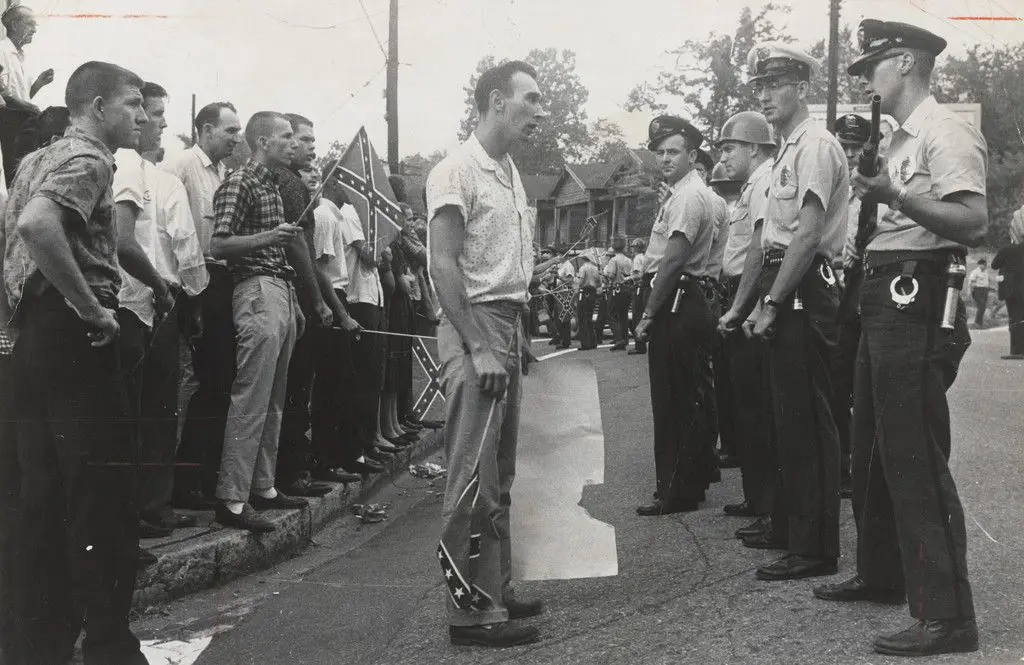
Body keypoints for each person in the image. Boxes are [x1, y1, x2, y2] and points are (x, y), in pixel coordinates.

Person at [813, 20, 984, 657]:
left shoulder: (945, 130)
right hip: (880, 286)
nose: (866, 80)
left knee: (913, 448)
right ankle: (884, 571)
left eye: (874, 67)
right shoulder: (899, 140)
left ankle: (947, 615)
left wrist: (897, 199)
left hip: (916, 291)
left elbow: (972, 220)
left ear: (907, 63)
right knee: (872, 444)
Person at [2, 60, 149, 665]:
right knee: (103, 496)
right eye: (133, 103)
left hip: (31, 340)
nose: (141, 116)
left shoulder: (34, 160)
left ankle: (36, 646)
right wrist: (92, 309)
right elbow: (39, 227)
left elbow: (17, 234)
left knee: (41, 497)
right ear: (96, 108)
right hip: (75, 338)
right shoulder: (89, 159)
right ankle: (112, 648)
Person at [427, 59, 546, 648]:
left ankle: (495, 586)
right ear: (497, 101)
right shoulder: (457, 170)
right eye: (531, 99)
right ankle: (471, 614)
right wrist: (479, 344)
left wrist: (515, 335)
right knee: (472, 474)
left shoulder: (508, 171)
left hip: (507, 324)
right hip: (474, 326)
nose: (539, 111)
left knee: (500, 472)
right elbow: (442, 263)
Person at [719, 42, 846, 581]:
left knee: (807, 421)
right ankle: (794, 530)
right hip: (781, 278)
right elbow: (765, 241)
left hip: (803, 286)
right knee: (785, 417)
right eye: (760, 87)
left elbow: (809, 232)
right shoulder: (786, 151)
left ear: (803, 87)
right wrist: (750, 301)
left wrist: (771, 302)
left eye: (776, 84)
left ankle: (815, 548)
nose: (766, 95)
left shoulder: (815, 145)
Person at [113, 82, 207, 537]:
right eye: (152, 113)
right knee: (142, 409)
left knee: (150, 408)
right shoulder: (141, 173)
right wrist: (192, 293)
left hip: (143, 304)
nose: (160, 124)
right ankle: (142, 508)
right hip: (140, 301)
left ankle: (149, 506)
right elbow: (187, 254)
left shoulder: (150, 175)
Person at [210, 111, 308, 533]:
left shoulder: (270, 183)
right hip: (254, 288)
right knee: (252, 395)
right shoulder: (240, 181)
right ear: (263, 141)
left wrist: (295, 300)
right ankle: (231, 499)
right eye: (285, 136)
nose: (292, 143)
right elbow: (219, 243)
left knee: (274, 397)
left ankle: (263, 487)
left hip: (278, 289)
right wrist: (271, 238)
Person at [633, 115, 718, 516]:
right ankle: (690, 483)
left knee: (672, 400)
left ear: (692, 154)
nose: (665, 159)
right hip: (686, 296)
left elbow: (673, 258)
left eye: (673, 151)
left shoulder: (687, 197)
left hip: (677, 297)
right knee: (688, 396)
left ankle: (675, 491)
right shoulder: (686, 193)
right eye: (660, 152)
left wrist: (649, 312)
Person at [275, 113, 360, 497]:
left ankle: (298, 466)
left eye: (310, 139)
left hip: (298, 294)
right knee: (297, 387)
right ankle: (293, 471)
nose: (309, 146)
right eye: (303, 139)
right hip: (297, 294)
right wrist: (323, 304)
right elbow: (302, 252)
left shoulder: (289, 182)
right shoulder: (290, 183)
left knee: (298, 388)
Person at [163, 101, 242, 510]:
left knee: (221, 379)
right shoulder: (181, 167)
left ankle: (203, 473)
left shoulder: (226, 175)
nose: (236, 138)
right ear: (206, 129)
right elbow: (170, 231)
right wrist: (189, 294)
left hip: (221, 278)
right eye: (229, 131)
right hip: (196, 282)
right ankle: (186, 479)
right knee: (205, 380)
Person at [714, 110, 778, 530]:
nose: (724, 156)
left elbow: (756, 249)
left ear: (754, 148)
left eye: (730, 147)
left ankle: (768, 502)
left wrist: (742, 308)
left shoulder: (764, 181)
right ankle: (757, 497)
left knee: (757, 408)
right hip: (740, 290)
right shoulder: (750, 186)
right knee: (746, 406)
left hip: (750, 294)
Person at [833, 112, 873, 499]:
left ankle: (860, 471)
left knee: (860, 390)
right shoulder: (838, 193)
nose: (847, 154)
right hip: (836, 297)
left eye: (855, 148)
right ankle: (842, 467)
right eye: (843, 146)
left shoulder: (869, 195)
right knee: (837, 382)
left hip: (861, 297)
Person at [0, 5, 53, 186]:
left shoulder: (22, 55)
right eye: (30, 24)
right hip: (8, 123)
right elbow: (2, 94)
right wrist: (29, 108)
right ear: (15, 25)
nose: (34, 29)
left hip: (23, 121)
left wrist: (38, 83)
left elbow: (22, 94)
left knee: (24, 171)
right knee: (13, 172)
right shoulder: (1, 52)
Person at [992, 208, 1024, 359]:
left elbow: (994, 264)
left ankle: (1016, 350)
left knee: (1015, 318)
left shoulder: (1007, 249)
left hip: (1012, 289)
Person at [603, 236, 633, 350]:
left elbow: (611, 275)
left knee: (610, 314)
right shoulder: (629, 260)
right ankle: (624, 340)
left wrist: (604, 274)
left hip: (616, 289)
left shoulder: (613, 260)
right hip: (627, 290)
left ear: (614, 248)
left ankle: (619, 338)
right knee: (623, 315)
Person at [575, 253, 600, 350]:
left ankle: (585, 344)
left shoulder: (583, 268)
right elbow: (598, 281)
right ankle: (593, 342)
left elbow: (580, 282)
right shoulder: (595, 268)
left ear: (583, 259)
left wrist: (577, 281)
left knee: (582, 318)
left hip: (584, 292)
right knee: (589, 318)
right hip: (593, 292)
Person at [628, 238, 648, 354]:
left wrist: (627, 278)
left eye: (633, 247)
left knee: (636, 317)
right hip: (644, 288)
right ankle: (641, 344)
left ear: (636, 248)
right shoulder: (645, 258)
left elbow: (637, 275)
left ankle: (639, 346)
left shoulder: (637, 259)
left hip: (638, 288)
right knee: (640, 315)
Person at [966, 258, 990, 326]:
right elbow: (971, 283)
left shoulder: (986, 272)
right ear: (980, 265)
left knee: (983, 307)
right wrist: (969, 293)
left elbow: (987, 281)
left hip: (985, 291)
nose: (985, 266)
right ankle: (977, 322)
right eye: (984, 265)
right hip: (977, 290)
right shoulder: (975, 272)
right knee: (981, 306)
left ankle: (980, 323)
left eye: (986, 265)